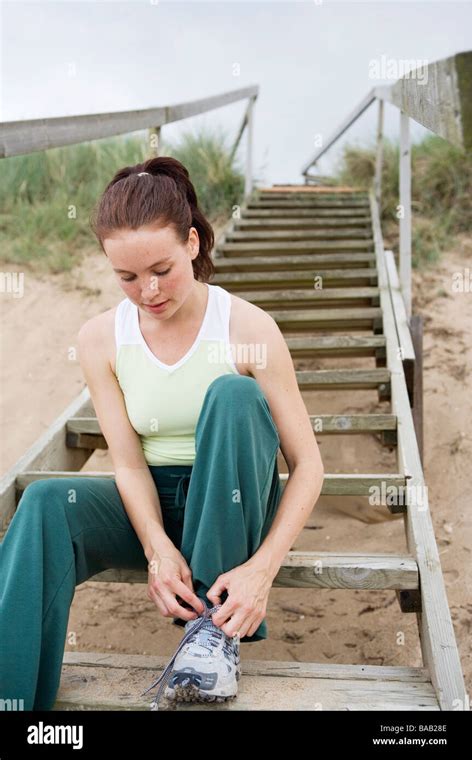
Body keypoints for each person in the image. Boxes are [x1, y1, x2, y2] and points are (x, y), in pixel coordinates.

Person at [0, 156, 324, 711]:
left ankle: (210, 637)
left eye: (161, 269)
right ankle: (10, 696)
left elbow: (309, 466)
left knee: (233, 395)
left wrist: (261, 571)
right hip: (151, 504)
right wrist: (156, 549)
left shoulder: (247, 326)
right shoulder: (102, 338)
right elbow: (126, 464)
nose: (147, 291)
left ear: (193, 244)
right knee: (46, 502)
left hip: (233, 498)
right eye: (126, 277)